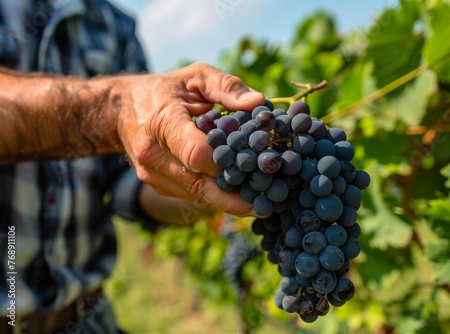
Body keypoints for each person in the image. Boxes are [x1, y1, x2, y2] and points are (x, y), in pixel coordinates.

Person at [0, 1, 264, 333]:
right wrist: (117, 107)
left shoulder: (114, 25)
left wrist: (196, 185)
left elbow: (128, 177)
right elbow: (125, 113)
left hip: (87, 321)